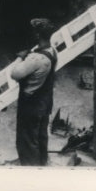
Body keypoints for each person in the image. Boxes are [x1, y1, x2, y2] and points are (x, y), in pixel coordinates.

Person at [10, 17, 58, 166]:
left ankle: (30, 170)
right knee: (41, 135)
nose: (30, 34)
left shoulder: (36, 58)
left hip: (31, 103)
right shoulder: (52, 51)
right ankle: (42, 162)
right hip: (45, 101)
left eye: (33, 32)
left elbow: (15, 74)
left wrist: (20, 57)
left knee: (27, 139)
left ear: (38, 35)